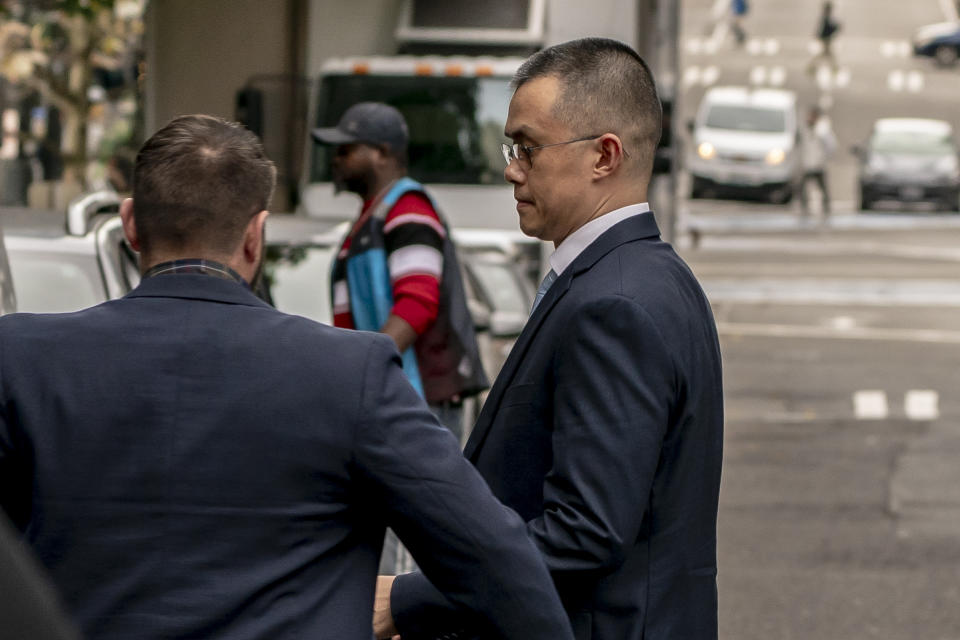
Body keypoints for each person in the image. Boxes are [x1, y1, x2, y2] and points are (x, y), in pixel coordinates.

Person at [0, 114, 574, 640]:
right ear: (256, 235)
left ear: (129, 223)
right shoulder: (351, 375)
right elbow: (497, 564)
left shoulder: (21, 359)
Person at [379, 37, 725, 640]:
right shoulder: (648, 276)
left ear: (604, 156)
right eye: (510, 146)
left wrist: (409, 600)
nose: (511, 167)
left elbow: (584, 533)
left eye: (528, 148)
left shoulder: (613, 304)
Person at [312, 102, 489, 576]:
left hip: (415, 402)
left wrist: (365, 367)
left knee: (415, 538)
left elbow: (417, 303)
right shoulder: (373, 216)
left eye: (347, 149)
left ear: (383, 153)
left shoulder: (408, 208)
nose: (336, 159)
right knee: (388, 532)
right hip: (391, 396)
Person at [799, 106, 837, 219]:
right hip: (807, 163)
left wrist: (824, 158)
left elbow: (831, 146)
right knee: (803, 187)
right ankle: (804, 207)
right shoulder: (805, 128)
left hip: (819, 164)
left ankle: (826, 208)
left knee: (823, 188)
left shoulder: (823, 130)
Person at [807, 0, 841, 74]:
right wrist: (835, 28)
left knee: (826, 54)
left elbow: (824, 29)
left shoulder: (826, 17)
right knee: (828, 55)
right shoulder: (826, 18)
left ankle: (812, 67)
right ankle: (834, 69)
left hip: (826, 39)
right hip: (826, 40)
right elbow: (826, 29)